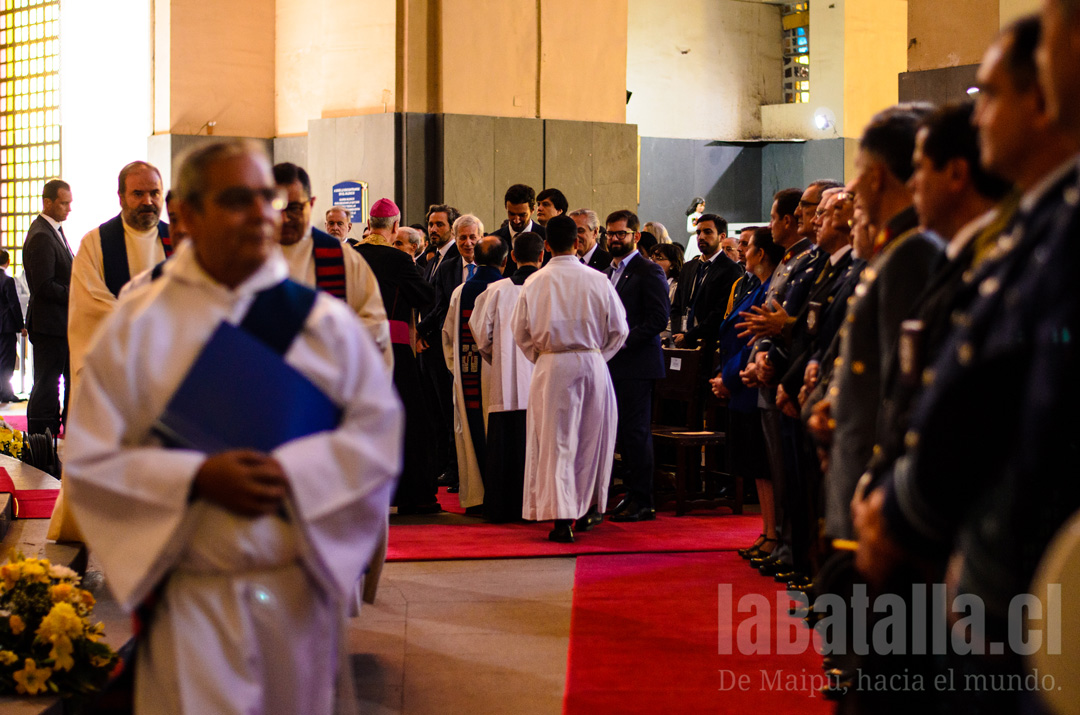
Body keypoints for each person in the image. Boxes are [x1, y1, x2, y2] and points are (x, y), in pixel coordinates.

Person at [64, 138, 403, 715]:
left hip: (296, 593)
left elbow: (376, 436)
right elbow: (91, 455)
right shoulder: (139, 323)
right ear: (186, 213)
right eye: (237, 199)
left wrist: (292, 473)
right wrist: (195, 478)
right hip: (192, 595)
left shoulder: (323, 324)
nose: (261, 214)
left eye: (267, 198)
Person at [511, 214, 628, 543]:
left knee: (555, 442)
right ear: (577, 242)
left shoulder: (534, 282)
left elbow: (521, 333)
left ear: (546, 246)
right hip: (592, 364)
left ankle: (561, 518)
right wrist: (597, 357)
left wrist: (544, 358)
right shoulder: (598, 280)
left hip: (552, 366)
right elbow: (620, 330)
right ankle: (588, 508)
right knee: (591, 439)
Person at [351, 219, 438, 515]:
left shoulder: (349, 254)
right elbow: (425, 295)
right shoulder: (398, 259)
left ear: (368, 224)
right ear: (395, 226)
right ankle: (414, 496)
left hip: (354, 349)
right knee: (411, 419)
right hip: (393, 347)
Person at [710, 228, 785, 562]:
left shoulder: (769, 289)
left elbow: (754, 341)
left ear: (761, 253)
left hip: (751, 380)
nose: (742, 251)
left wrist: (727, 377)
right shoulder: (753, 286)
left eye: (747, 246)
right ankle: (768, 531)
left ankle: (774, 534)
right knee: (757, 466)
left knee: (766, 465)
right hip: (743, 382)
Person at [272, 162, 392, 369]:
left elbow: (375, 327)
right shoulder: (249, 256)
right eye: (275, 206)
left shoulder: (343, 259)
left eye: (294, 208)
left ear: (311, 204)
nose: (284, 218)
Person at [68, 162, 171, 386]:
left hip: (169, 366)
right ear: (121, 197)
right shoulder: (95, 243)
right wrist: (147, 326)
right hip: (116, 371)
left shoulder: (178, 241)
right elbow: (90, 307)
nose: (148, 201)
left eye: (154, 193)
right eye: (138, 194)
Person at [470, 232, 542, 522]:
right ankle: (536, 508)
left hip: (505, 380)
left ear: (512, 257)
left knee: (503, 445)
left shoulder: (496, 290)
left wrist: (498, 359)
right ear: (542, 256)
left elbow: (481, 335)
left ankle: (501, 507)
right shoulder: (547, 286)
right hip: (542, 378)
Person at [604, 210, 670, 523]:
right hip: (613, 364)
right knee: (621, 433)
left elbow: (658, 319)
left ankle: (644, 501)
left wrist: (621, 341)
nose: (615, 239)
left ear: (635, 236)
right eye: (610, 234)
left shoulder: (648, 270)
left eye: (621, 233)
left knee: (636, 433)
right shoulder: (607, 272)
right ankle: (630, 494)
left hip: (637, 364)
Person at [441, 235, 506, 512]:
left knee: (469, 435)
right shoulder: (508, 290)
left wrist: (457, 370)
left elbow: (447, 336)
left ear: (475, 260)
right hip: (502, 378)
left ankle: (476, 498)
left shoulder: (461, 292)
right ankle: (502, 496)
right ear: (505, 261)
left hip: (468, 375)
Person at [23, 179, 73, 434]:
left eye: (69, 203)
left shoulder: (54, 230)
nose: (69, 208)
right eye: (64, 203)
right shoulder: (42, 235)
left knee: (53, 380)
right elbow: (44, 285)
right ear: (48, 202)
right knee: (47, 383)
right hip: (49, 324)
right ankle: (41, 435)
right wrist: (76, 292)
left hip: (57, 323)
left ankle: (51, 429)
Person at [670, 212, 743, 349]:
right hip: (681, 340)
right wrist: (677, 334)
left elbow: (720, 312)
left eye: (708, 232)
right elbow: (676, 306)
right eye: (698, 232)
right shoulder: (689, 267)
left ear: (722, 236)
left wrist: (689, 336)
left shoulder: (731, 269)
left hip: (708, 344)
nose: (701, 237)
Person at [491, 184, 546, 275]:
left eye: (522, 215)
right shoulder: (494, 241)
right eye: (511, 214)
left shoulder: (547, 237)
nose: (516, 220)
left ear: (532, 210)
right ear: (506, 208)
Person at [0, 248, 24, 403]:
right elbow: (14, 304)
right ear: (8, 262)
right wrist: (21, 326)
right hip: (6, 326)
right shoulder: (7, 280)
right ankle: (6, 393)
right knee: (6, 361)